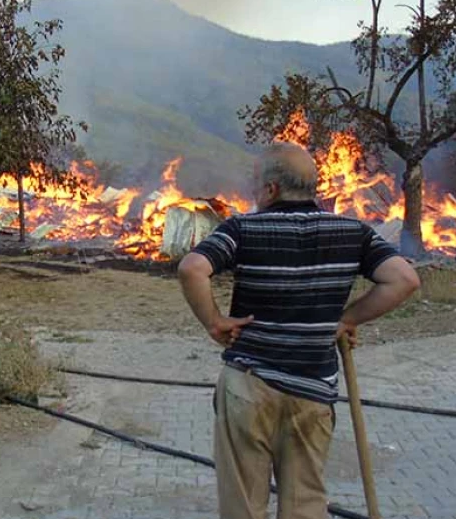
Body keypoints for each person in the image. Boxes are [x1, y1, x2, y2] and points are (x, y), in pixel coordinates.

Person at [178, 143, 420, 519]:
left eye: (257, 185)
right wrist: (348, 319)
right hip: (312, 392)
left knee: (243, 505)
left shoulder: (243, 228)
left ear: (271, 189)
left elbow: (192, 268)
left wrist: (214, 322)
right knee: (305, 505)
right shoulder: (352, 231)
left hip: (249, 386)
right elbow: (404, 279)